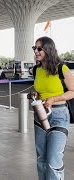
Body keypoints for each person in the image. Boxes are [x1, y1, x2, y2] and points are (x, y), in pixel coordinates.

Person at [29, 36, 74, 180]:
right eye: (34, 48)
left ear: (48, 49)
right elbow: (40, 90)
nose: (36, 51)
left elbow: (72, 91)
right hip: (40, 114)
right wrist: (35, 94)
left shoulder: (61, 68)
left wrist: (54, 99)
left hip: (59, 114)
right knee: (41, 157)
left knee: (54, 159)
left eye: (39, 48)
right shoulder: (36, 69)